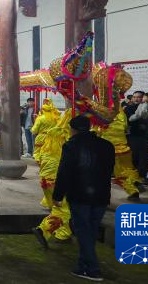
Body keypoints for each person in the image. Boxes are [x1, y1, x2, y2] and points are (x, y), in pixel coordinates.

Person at [51, 116, 115, 281]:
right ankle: (82, 266)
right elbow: (110, 170)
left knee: (82, 231)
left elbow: (64, 172)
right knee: (90, 231)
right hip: (101, 195)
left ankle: (93, 269)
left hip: (80, 195)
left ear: (72, 129)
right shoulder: (107, 146)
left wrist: (57, 195)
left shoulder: (71, 146)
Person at [32, 111, 73, 245]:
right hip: (56, 180)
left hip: (45, 180)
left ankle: (63, 235)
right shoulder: (66, 141)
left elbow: (39, 158)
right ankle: (43, 229)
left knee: (58, 208)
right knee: (63, 211)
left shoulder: (49, 138)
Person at [92, 105, 144, 201]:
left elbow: (95, 132)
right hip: (124, 149)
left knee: (102, 174)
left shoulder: (101, 115)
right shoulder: (121, 113)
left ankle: (102, 196)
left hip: (108, 149)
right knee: (126, 171)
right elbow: (125, 127)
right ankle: (133, 187)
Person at [30, 99, 61, 208]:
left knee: (43, 162)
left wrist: (35, 121)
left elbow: (34, 130)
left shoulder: (40, 118)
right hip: (54, 142)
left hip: (42, 140)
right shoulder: (56, 117)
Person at [128, 92, 148, 178]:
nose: (136, 99)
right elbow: (129, 120)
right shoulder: (129, 108)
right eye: (134, 97)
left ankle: (143, 175)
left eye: (139, 97)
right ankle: (134, 175)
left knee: (144, 157)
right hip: (134, 135)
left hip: (146, 136)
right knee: (134, 156)